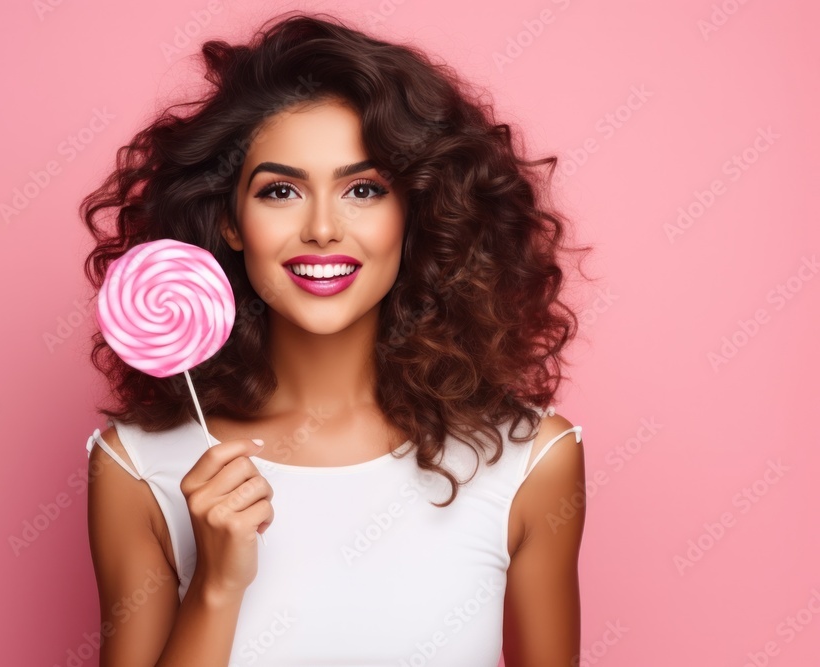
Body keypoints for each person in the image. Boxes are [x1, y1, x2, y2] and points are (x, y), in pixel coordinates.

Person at [80, 11, 592, 667]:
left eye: (363, 188)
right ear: (231, 222)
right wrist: (215, 588)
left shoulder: (531, 464)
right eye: (281, 190)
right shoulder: (136, 466)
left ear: (415, 212)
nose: (323, 228)